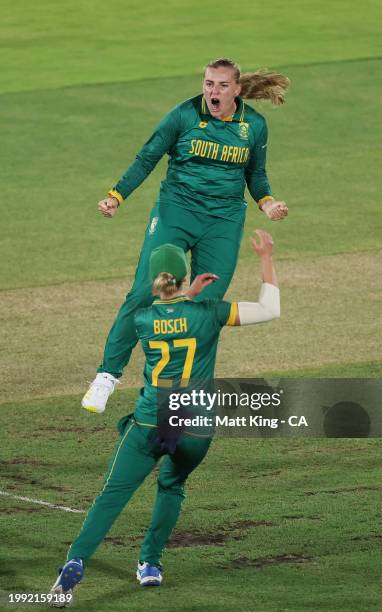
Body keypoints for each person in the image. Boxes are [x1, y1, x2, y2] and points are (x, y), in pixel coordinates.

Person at [50, 230, 280, 606]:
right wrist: (265, 257)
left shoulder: (142, 319)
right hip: (194, 427)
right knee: (172, 485)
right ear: (187, 277)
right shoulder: (211, 312)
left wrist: (182, 297)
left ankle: (74, 561)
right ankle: (150, 564)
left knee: (111, 496)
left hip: (151, 422)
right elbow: (270, 310)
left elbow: (167, 315)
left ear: (155, 281)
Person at [81, 57, 289, 414]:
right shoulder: (183, 116)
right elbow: (147, 157)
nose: (213, 91)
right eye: (208, 84)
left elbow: (256, 175)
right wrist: (116, 196)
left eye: (222, 85)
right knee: (146, 291)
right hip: (176, 212)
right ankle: (107, 377)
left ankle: (186, 390)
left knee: (205, 308)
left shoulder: (254, 125)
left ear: (237, 90)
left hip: (222, 222)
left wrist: (267, 203)